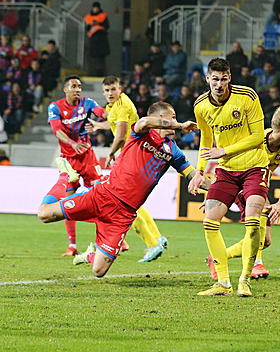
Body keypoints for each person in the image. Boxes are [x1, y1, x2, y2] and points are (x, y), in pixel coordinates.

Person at [38, 102, 203, 277]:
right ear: (160, 118)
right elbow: (145, 122)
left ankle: (89, 256)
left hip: (123, 215)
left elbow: (193, 175)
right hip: (103, 196)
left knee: (99, 271)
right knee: (44, 214)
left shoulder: (174, 152)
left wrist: (221, 188)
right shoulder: (142, 132)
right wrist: (180, 125)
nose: (176, 121)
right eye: (173, 117)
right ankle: (65, 175)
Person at [188, 58, 270, 297]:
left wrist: (222, 151)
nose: (219, 84)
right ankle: (223, 284)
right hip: (226, 171)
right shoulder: (201, 105)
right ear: (207, 79)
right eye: (215, 79)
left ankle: (245, 280)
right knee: (209, 222)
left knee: (253, 222)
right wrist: (200, 170)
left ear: (229, 78)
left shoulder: (247, 96)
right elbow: (205, 139)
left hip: (255, 166)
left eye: (224, 79)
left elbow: (257, 137)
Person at [207, 106, 280, 280]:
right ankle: (256, 264)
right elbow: (229, 159)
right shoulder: (256, 139)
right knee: (260, 218)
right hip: (241, 184)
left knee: (265, 241)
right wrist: (217, 189)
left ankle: (218, 258)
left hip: (258, 186)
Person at [84, 76, 170, 262]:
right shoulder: (112, 107)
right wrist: (99, 125)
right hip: (135, 157)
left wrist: (112, 153)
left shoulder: (123, 105)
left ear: (120, 89)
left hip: (131, 157)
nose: (110, 94)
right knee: (135, 204)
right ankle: (157, 238)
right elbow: (113, 123)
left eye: (113, 90)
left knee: (124, 204)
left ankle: (152, 244)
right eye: (106, 91)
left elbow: (121, 134)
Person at [47, 75, 105, 257]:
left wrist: (111, 112)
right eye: (73, 86)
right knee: (67, 202)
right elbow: (57, 130)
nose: (77, 89)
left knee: (100, 198)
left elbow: (101, 112)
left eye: (79, 86)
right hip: (68, 160)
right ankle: (72, 245)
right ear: (66, 89)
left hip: (87, 157)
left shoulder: (86, 102)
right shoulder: (55, 107)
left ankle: (108, 238)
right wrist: (72, 143)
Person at [84, 2, 110, 75]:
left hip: (101, 39)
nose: (95, 9)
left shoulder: (103, 16)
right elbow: (86, 27)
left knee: (101, 58)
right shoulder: (88, 17)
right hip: (92, 40)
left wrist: (98, 24)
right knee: (92, 58)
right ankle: (93, 72)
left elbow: (107, 26)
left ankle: (100, 72)